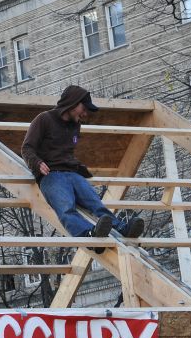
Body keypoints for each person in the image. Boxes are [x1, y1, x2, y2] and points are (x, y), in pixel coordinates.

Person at [21, 85, 145, 250]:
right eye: (84, 109)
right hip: (51, 175)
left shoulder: (75, 125)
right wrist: (36, 163)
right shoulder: (44, 119)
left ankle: (122, 228)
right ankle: (88, 236)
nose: (85, 114)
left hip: (72, 173)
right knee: (66, 209)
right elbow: (27, 148)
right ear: (73, 103)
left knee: (96, 204)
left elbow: (67, 152)